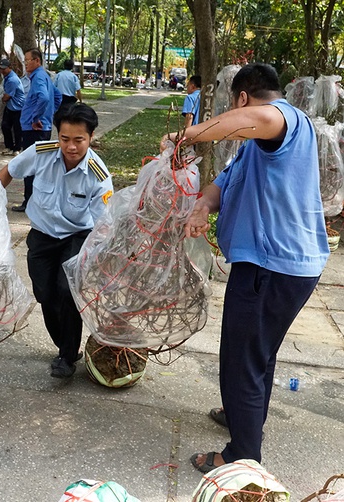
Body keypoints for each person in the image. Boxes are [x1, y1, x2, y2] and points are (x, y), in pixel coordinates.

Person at [162, 63, 329, 473]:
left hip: (271, 267)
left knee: (242, 359)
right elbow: (224, 180)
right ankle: (243, 416)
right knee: (257, 354)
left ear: (240, 97)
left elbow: (258, 116)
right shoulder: (256, 146)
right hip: (278, 265)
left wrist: (185, 135)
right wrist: (202, 205)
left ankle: (241, 455)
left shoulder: (283, 119)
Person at [0, 104, 113, 378]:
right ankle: (65, 346)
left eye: (79, 140)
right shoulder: (41, 152)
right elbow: (8, 170)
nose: (71, 147)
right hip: (42, 236)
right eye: (65, 139)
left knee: (66, 291)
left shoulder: (99, 176)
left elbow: (105, 226)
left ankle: (67, 356)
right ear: (57, 135)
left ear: (91, 137)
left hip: (77, 237)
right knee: (45, 295)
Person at [12, 48, 62, 212]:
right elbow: (57, 96)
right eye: (24, 61)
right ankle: (36, 202)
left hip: (34, 129)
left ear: (37, 61)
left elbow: (45, 97)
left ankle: (29, 202)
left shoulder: (39, 77)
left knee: (31, 165)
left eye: (28, 60)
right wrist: (49, 113)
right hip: (42, 127)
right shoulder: (43, 76)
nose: (25, 63)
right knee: (40, 165)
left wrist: (36, 118)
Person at [0, 58, 24, 156]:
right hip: (10, 107)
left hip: (17, 107)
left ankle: (17, 148)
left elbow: (7, 97)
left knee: (17, 128)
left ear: (9, 68)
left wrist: (1, 99)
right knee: (5, 126)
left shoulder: (12, 79)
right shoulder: (7, 77)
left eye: (4, 69)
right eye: (0, 69)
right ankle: (9, 146)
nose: (2, 71)